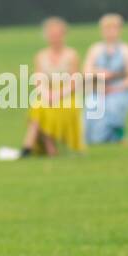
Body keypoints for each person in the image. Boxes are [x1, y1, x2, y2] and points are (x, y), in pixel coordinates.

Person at [19, 17, 83, 156]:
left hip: (67, 96)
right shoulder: (40, 56)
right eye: (51, 35)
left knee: (43, 108)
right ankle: (45, 146)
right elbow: (38, 80)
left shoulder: (71, 55)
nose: (54, 38)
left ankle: (29, 147)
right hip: (47, 93)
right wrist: (47, 94)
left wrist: (57, 95)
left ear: (64, 35)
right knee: (39, 107)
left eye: (57, 34)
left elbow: (74, 81)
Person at [82, 14, 128, 144]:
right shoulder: (95, 49)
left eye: (114, 28)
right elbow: (86, 72)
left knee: (112, 106)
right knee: (93, 104)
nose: (110, 32)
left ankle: (117, 135)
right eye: (107, 29)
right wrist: (100, 74)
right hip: (98, 89)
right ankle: (91, 138)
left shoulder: (127, 50)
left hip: (120, 90)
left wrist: (114, 88)